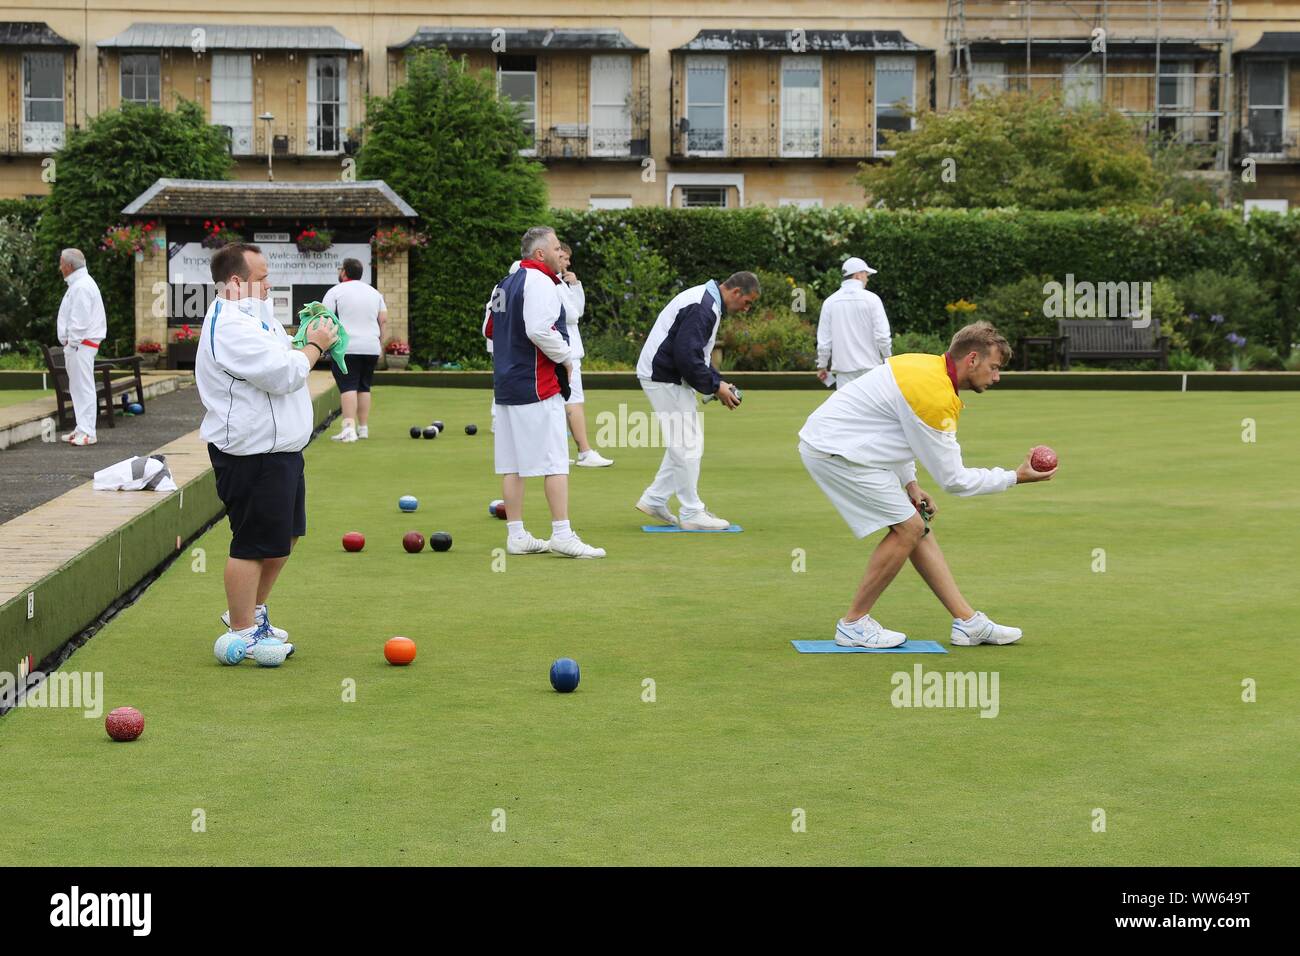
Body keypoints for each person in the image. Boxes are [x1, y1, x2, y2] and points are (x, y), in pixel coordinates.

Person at [797, 321, 1057, 649]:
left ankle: (968, 622)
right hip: (835, 450)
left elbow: (896, 432)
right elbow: (955, 481)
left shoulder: (925, 366)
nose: (996, 377)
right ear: (972, 359)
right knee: (908, 529)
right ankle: (853, 624)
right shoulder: (935, 395)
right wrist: (1014, 477)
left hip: (840, 442)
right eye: (994, 368)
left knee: (916, 526)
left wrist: (910, 484)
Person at [196, 242, 338, 658]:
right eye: (261, 277)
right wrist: (315, 345)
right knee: (253, 543)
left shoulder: (255, 316)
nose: (269, 284)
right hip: (251, 451)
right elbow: (283, 373)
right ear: (236, 282)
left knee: (286, 536)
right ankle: (241, 631)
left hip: (281, 449)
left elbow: (282, 357)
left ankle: (251, 613)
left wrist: (301, 340)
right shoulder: (230, 325)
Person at [484, 226, 605, 558]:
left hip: (507, 386)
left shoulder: (503, 284)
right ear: (540, 254)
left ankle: (517, 534)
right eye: (555, 247)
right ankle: (562, 534)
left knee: (512, 464)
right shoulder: (541, 283)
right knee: (555, 462)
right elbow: (539, 328)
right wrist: (566, 358)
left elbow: (488, 330)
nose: (559, 253)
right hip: (537, 385)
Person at [634, 272, 760, 531]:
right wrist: (715, 386)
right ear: (736, 293)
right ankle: (692, 512)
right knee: (688, 443)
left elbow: (696, 358)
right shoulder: (704, 307)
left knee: (682, 442)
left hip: (666, 374)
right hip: (664, 376)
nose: (746, 309)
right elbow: (687, 358)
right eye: (747, 302)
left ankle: (655, 499)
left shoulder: (708, 302)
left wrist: (719, 384)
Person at [556, 242, 612, 467]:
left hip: (567, 350)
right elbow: (572, 315)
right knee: (574, 401)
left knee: (561, 404)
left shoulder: (562, 282)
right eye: (564, 258)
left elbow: (577, 311)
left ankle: (559, 453)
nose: (568, 263)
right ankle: (585, 452)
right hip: (566, 352)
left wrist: (576, 286)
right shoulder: (551, 283)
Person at [322, 258, 387, 442]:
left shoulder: (335, 291)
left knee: (348, 386)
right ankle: (363, 428)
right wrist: (380, 345)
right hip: (371, 347)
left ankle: (349, 430)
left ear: (344, 272)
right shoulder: (374, 293)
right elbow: (383, 320)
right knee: (364, 387)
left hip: (347, 347)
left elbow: (325, 318)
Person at [55, 249, 108, 446]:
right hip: (80, 345)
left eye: (61, 263)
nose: (60, 267)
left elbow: (80, 319)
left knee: (83, 388)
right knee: (78, 388)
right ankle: (81, 428)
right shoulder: (79, 284)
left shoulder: (81, 287)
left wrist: (72, 342)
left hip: (81, 345)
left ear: (68, 266)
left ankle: (88, 432)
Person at [815, 256, 891, 389]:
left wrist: (822, 365)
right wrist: (888, 358)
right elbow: (882, 336)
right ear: (858, 275)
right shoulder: (872, 299)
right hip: (871, 370)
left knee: (847, 409)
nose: (867, 279)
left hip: (844, 372)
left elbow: (824, 342)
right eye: (866, 275)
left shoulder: (830, 302)